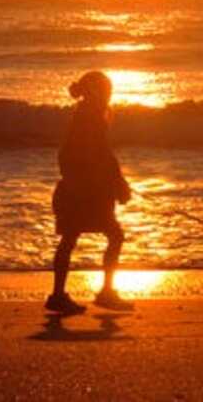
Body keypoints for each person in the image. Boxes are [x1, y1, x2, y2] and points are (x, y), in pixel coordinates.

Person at [45, 70, 134, 315]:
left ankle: (59, 295)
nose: (109, 95)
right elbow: (103, 155)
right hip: (86, 192)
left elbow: (77, 155)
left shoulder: (84, 116)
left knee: (72, 239)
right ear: (98, 92)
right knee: (113, 235)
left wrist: (112, 181)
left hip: (80, 189)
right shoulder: (90, 118)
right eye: (107, 91)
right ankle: (103, 293)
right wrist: (117, 183)